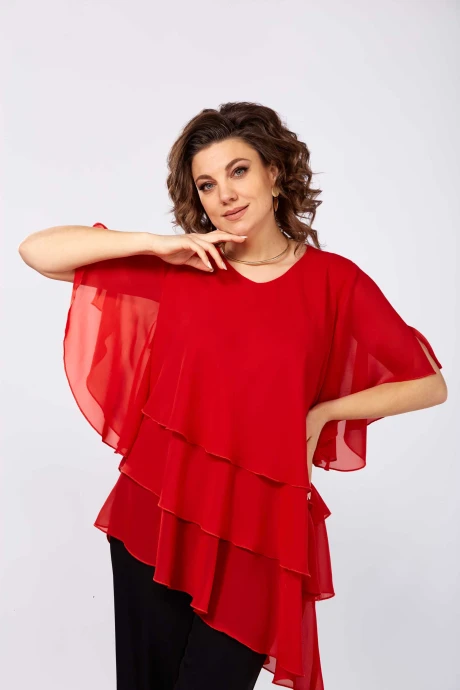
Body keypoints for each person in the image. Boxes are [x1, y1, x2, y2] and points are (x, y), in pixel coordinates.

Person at [18, 102, 447, 690]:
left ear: (275, 172)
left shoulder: (334, 281)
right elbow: (37, 252)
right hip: (157, 514)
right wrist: (155, 243)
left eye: (239, 171)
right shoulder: (186, 265)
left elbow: (428, 383)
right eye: (207, 184)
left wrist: (325, 412)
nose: (225, 194)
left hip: (258, 534)